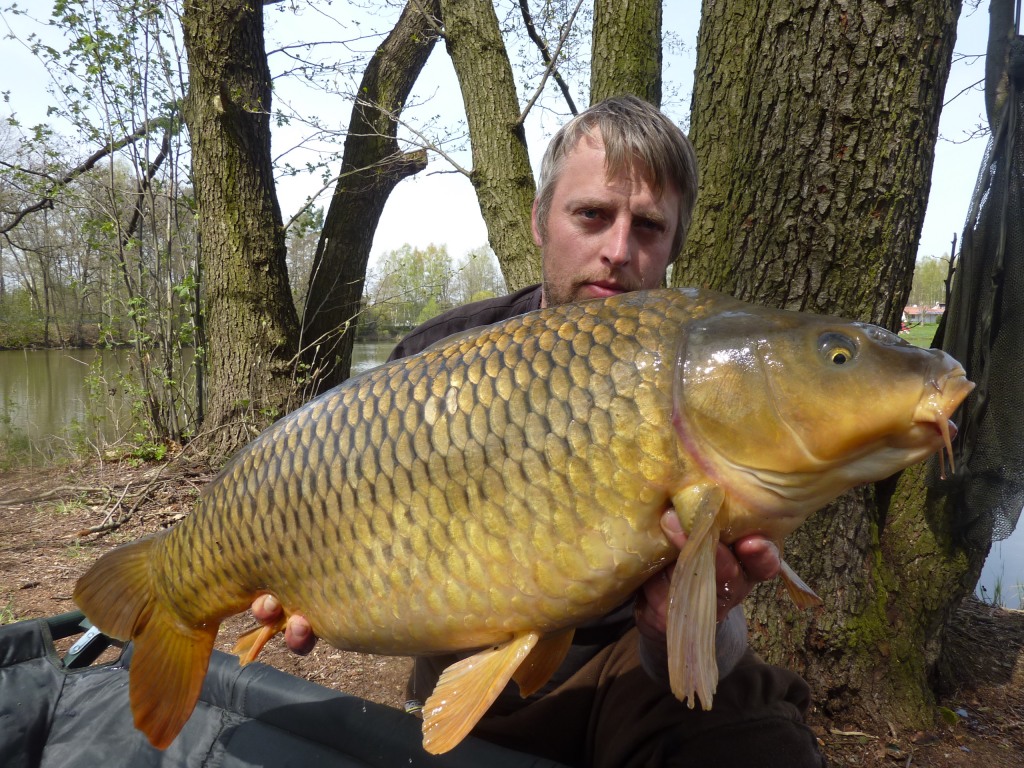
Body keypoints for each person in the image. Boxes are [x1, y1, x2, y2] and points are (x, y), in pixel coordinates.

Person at [253, 95, 825, 767]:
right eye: (591, 215)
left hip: (637, 667)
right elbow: (335, 508)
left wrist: (693, 621)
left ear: (674, 245)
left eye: (647, 226)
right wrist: (304, 573)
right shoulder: (434, 359)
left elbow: (714, 646)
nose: (617, 250)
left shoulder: (709, 379)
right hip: (471, 662)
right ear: (539, 220)